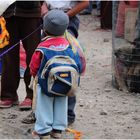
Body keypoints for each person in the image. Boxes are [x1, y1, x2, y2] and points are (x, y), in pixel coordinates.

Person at [21, 0, 88, 125]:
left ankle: (67, 115)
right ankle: (39, 113)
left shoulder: (72, 43)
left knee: (65, 68)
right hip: (49, 20)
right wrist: (45, 10)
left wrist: (63, 18)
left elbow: (84, 3)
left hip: (66, 20)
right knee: (45, 70)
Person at [30, 10, 85, 139]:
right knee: (61, 104)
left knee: (44, 106)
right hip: (65, 84)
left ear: (45, 28)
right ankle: (58, 130)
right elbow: (79, 65)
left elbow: (34, 66)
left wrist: (35, 77)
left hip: (45, 83)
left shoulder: (42, 47)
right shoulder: (71, 46)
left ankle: (43, 131)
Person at [0, 1, 42, 109]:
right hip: (7, 13)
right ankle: (8, 95)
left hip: (31, 13)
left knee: (33, 55)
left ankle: (31, 95)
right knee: (8, 56)